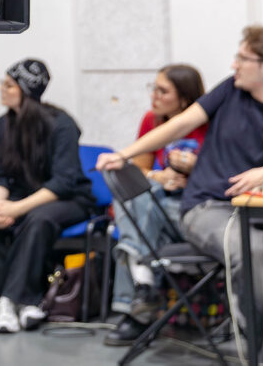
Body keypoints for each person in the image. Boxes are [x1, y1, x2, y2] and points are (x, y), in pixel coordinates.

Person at [97, 25, 263, 365]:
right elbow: (178, 125)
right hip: (207, 207)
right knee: (252, 250)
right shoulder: (227, 94)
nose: (234, 65)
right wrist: (126, 154)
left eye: (242, 58)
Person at [0, 59, 95, 333]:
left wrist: (16, 210)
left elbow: (63, 182)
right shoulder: (2, 125)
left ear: (26, 90)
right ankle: (28, 303)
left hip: (68, 200)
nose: (2, 89)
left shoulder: (62, 124)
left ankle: (6, 302)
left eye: (9, 85)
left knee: (38, 219)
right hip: (21, 198)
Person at [105, 64, 206, 346]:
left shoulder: (209, 124)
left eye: (163, 91)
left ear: (184, 99)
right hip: (156, 210)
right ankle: (142, 288)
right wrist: (159, 176)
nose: (154, 96)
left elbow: (223, 175)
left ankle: (136, 306)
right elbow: (141, 170)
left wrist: (196, 172)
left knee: (139, 206)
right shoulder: (151, 120)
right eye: (154, 88)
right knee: (135, 196)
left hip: (190, 209)